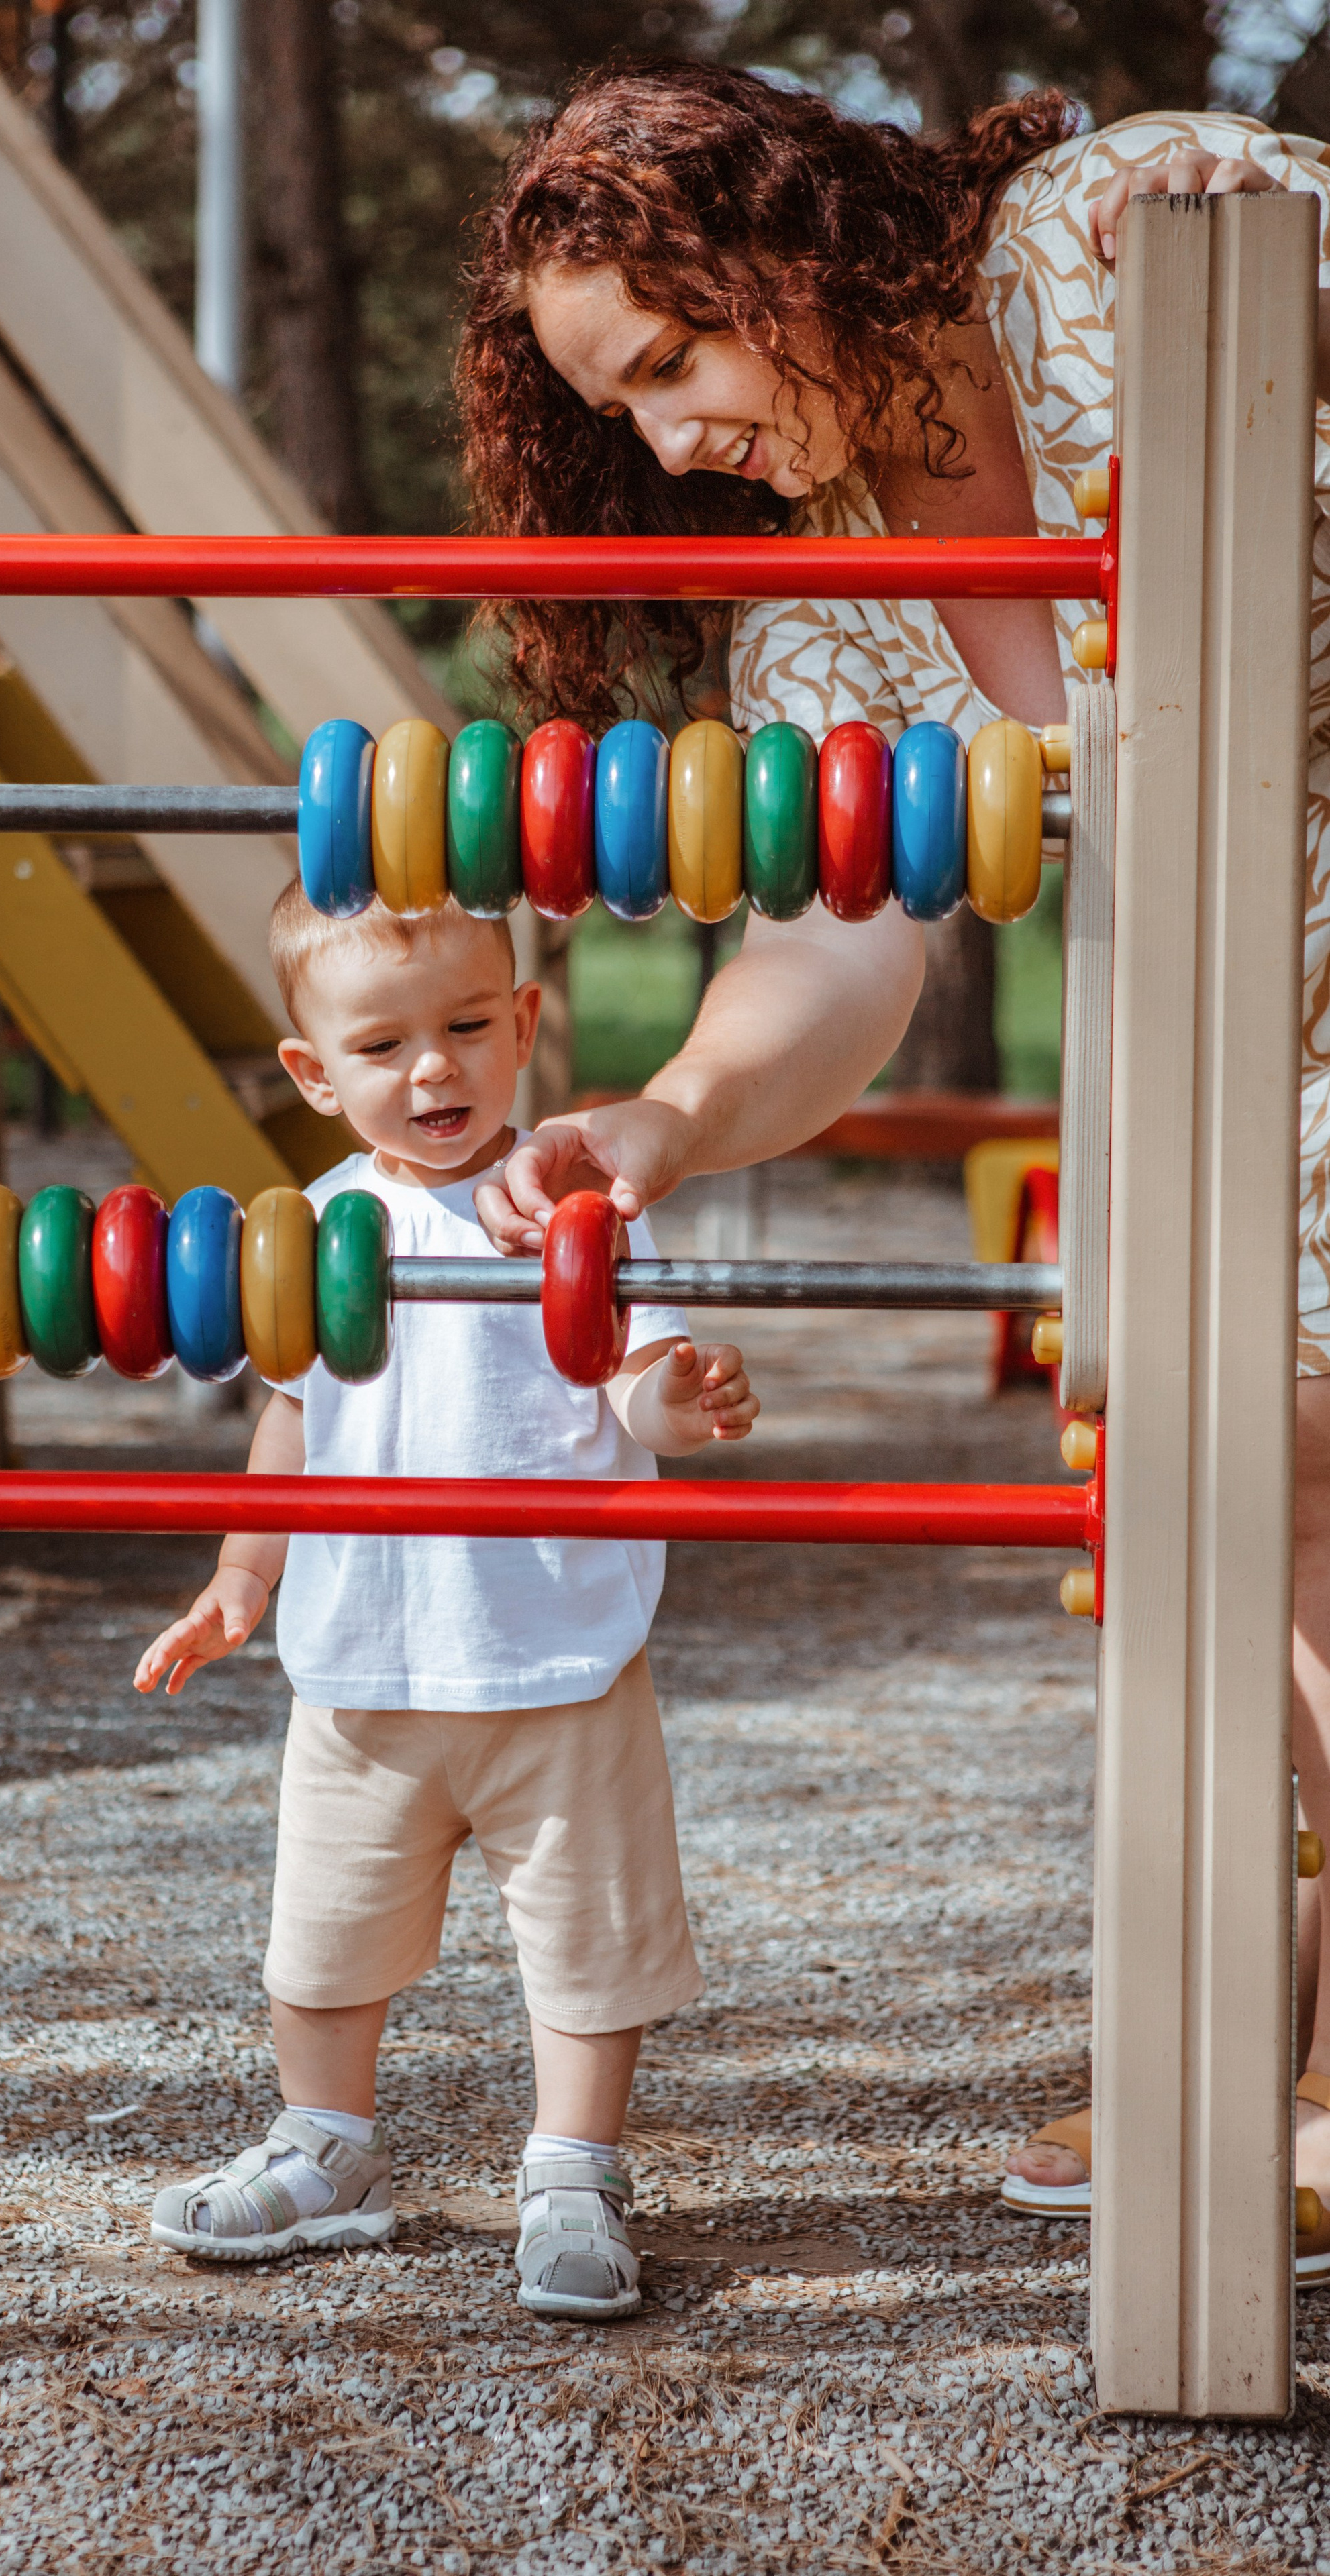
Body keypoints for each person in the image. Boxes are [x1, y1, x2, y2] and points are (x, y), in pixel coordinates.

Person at [452, 60, 1330, 2278]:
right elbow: (835, 944)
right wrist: (672, 1116)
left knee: (1275, 1441)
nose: (668, 441)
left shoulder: (1120, 246)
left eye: (675, 359)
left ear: (781, 254)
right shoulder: (833, 597)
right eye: (618, 409)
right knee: (1214, 1470)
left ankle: (1260, 2044)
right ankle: (1253, 2028)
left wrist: (1294, 244)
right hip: (1229, 1058)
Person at [134, 883, 759, 2320]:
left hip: (560, 1664)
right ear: (313, 1071)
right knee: (322, 1937)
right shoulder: (311, 1231)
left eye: (469, 1026)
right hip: (360, 1670)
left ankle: (573, 2167)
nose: (433, 1070)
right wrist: (241, 1575)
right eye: (383, 1045)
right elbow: (289, 1421)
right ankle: (325, 2144)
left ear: (524, 1023)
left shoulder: (580, 1216)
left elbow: (633, 1384)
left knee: (589, 1949)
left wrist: (683, 1396)